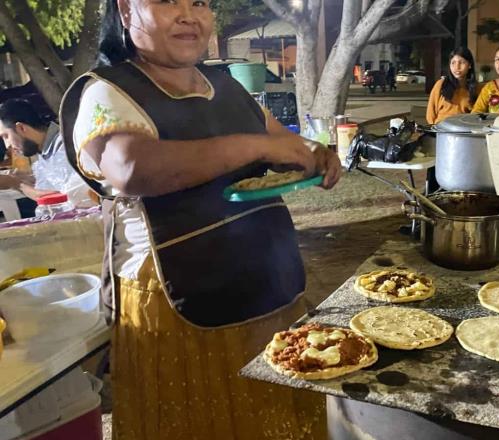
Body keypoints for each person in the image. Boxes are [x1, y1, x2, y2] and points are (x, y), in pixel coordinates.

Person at [58, 0, 341, 438]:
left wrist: (315, 156)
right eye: (169, 1)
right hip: (174, 298)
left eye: (201, 3)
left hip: (268, 286)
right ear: (127, 10)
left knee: (274, 415)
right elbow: (132, 169)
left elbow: (285, 146)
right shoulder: (108, 91)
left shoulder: (227, 86)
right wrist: (257, 148)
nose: (190, 15)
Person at [0, 99, 94, 206]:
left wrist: (16, 183)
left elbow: (67, 198)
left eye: (6, 136)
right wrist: (28, 178)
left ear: (21, 128)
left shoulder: (66, 147)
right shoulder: (46, 152)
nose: (7, 145)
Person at [426, 47, 478, 124]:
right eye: (453, 63)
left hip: (463, 130)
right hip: (440, 129)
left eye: (462, 62)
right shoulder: (441, 84)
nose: (457, 67)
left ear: (469, 65)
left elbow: (476, 115)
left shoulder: (476, 89)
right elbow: (431, 113)